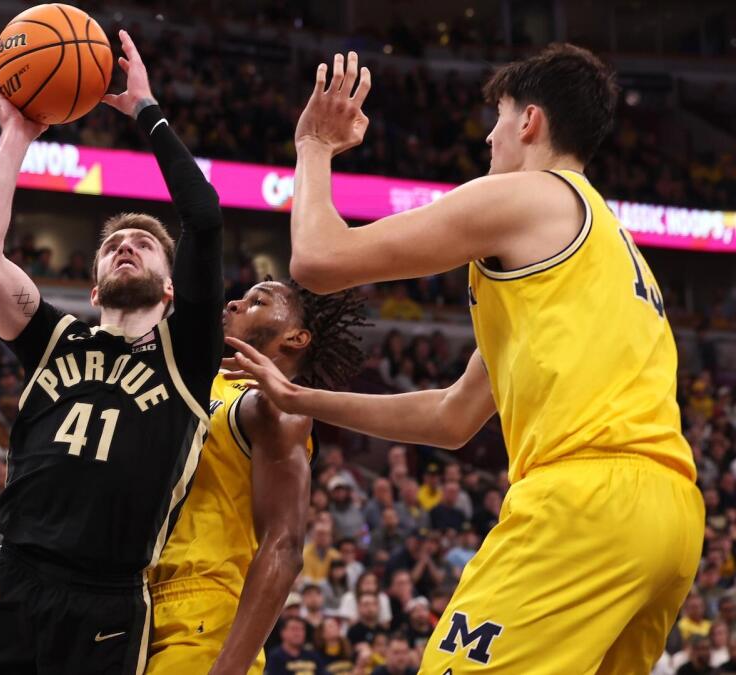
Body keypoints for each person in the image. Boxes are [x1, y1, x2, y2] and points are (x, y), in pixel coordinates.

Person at [234, 44, 703, 672]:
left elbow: (318, 260)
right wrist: (300, 398)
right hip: (670, 516)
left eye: (498, 118)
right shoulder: (606, 246)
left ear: (529, 122)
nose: (488, 137)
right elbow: (452, 418)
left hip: (587, 501)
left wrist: (314, 147)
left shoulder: (525, 196)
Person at [0, 30, 224, 674]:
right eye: (114, 245)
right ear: (94, 287)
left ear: (172, 288)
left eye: (144, 245)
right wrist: (17, 134)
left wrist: (146, 110)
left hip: (107, 597)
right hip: (10, 578)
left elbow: (204, 219)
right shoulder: (53, 338)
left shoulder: (186, 354)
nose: (127, 246)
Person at [146, 280, 364, 674]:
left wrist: (228, 669)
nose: (233, 303)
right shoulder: (195, 383)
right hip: (130, 599)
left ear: (296, 337)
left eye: (258, 301)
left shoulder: (278, 410)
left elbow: (284, 547)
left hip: (204, 611)